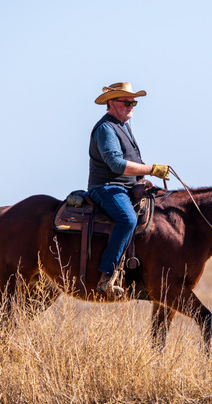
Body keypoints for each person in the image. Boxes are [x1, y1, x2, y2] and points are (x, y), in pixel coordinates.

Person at [88, 82, 170, 297]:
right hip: (106, 187)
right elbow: (116, 164)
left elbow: (132, 160)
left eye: (133, 102)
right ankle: (107, 275)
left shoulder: (124, 126)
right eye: (127, 102)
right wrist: (151, 169)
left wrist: (142, 179)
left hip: (126, 187)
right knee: (128, 219)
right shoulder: (106, 128)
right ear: (112, 103)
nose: (131, 105)